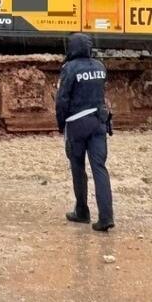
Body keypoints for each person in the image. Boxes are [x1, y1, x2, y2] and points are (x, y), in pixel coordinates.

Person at [55, 32, 114, 231]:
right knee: (99, 168)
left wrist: (61, 124)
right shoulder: (100, 67)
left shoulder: (69, 68)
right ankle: (106, 217)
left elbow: (62, 99)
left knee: (78, 168)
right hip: (99, 123)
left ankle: (82, 211)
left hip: (77, 124)